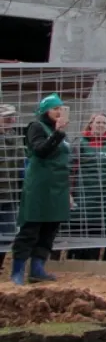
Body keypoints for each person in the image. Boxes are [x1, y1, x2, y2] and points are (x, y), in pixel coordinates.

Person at [11, 93, 73, 285]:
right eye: (55, 108)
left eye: (61, 108)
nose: (58, 112)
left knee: (50, 228)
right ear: (45, 110)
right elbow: (40, 151)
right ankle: (17, 271)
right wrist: (58, 132)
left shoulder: (59, 131)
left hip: (58, 186)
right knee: (31, 227)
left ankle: (37, 269)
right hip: (39, 186)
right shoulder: (36, 127)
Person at [68, 113, 106, 261]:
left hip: (102, 199)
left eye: (104, 123)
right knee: (79, 232)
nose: (101, 125)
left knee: (97, 233)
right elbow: (70, 169)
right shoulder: (80, 143)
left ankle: (92, 263)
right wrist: (69, 192)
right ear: (91, 124)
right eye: (98, 122)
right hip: (82, 196)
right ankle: (74, 262)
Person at [0, 104, 23, 275]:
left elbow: (22, 162)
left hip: (10, 195)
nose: (11, 120)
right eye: (7, 117)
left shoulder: (15, 137)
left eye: (12, 117)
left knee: (7, 236)